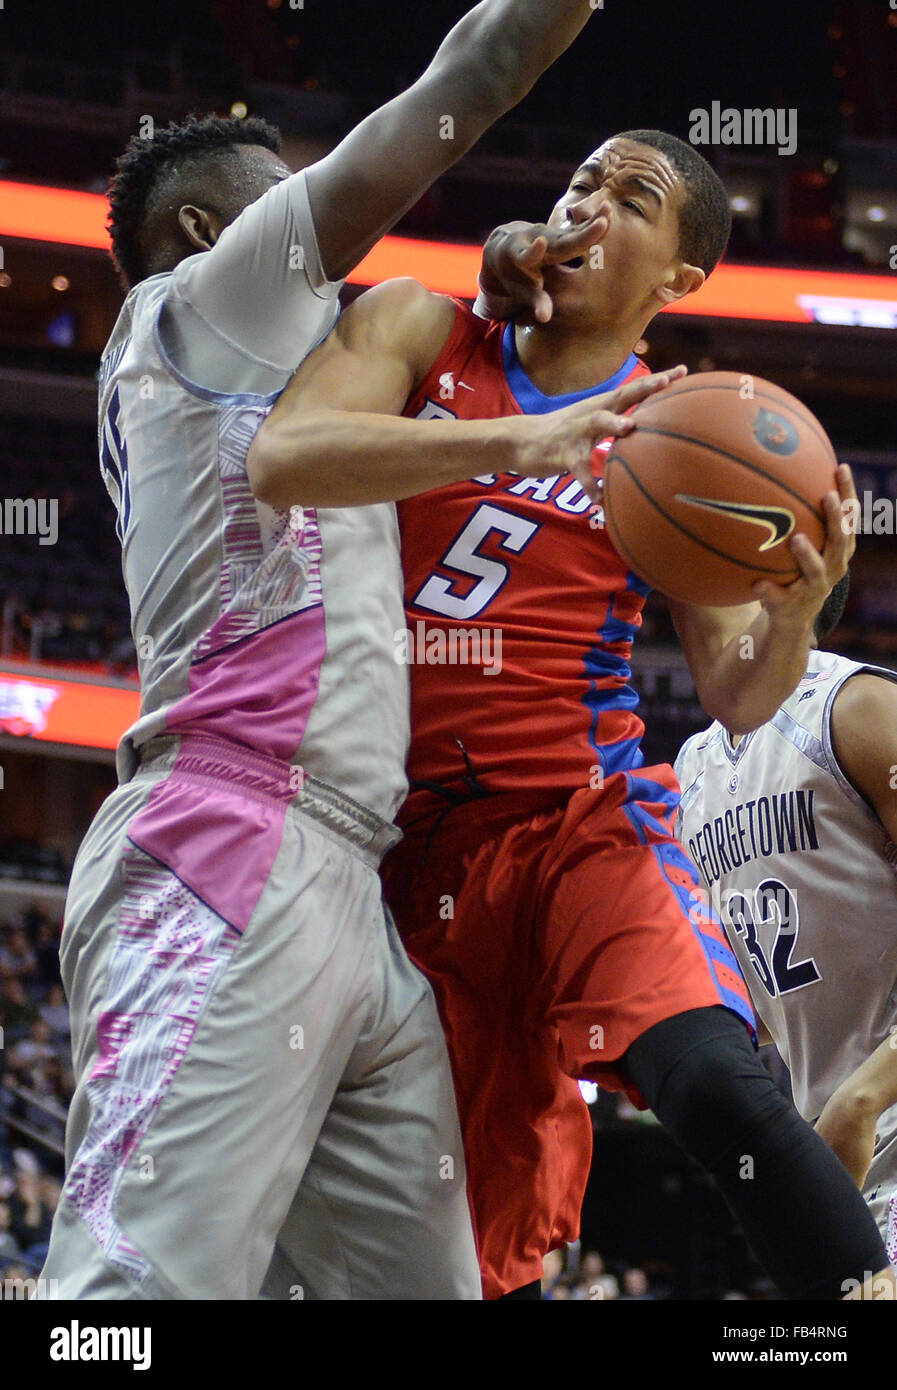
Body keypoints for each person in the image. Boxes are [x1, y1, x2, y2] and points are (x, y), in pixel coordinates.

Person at [247, 128, 895, 1301]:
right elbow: (285, 457)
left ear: (681, 279)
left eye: (631, 196)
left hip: (573, 816)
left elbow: (740, 691)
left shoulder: (677, 428)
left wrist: (794, 613)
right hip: (386, 844)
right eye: (582, 178)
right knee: (475, 1239)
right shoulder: (420, 324)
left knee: (711, 1082)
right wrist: (526, 438)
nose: (591, 201)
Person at [39, 0, 602, 1301]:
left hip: (350, 878)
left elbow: (439, 361)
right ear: (207, 228)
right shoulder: (211, 292)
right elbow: (481, 66)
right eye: (285, 200)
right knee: (132, 1295)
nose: (328, 234)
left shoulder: (265, 364)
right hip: (229, 843)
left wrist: (505, 267)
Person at [675, 573, 897, 1269]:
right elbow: (770, 1003)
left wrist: (865, 1095)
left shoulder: (857, 706)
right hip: (836, 1164)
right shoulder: (692, 770)